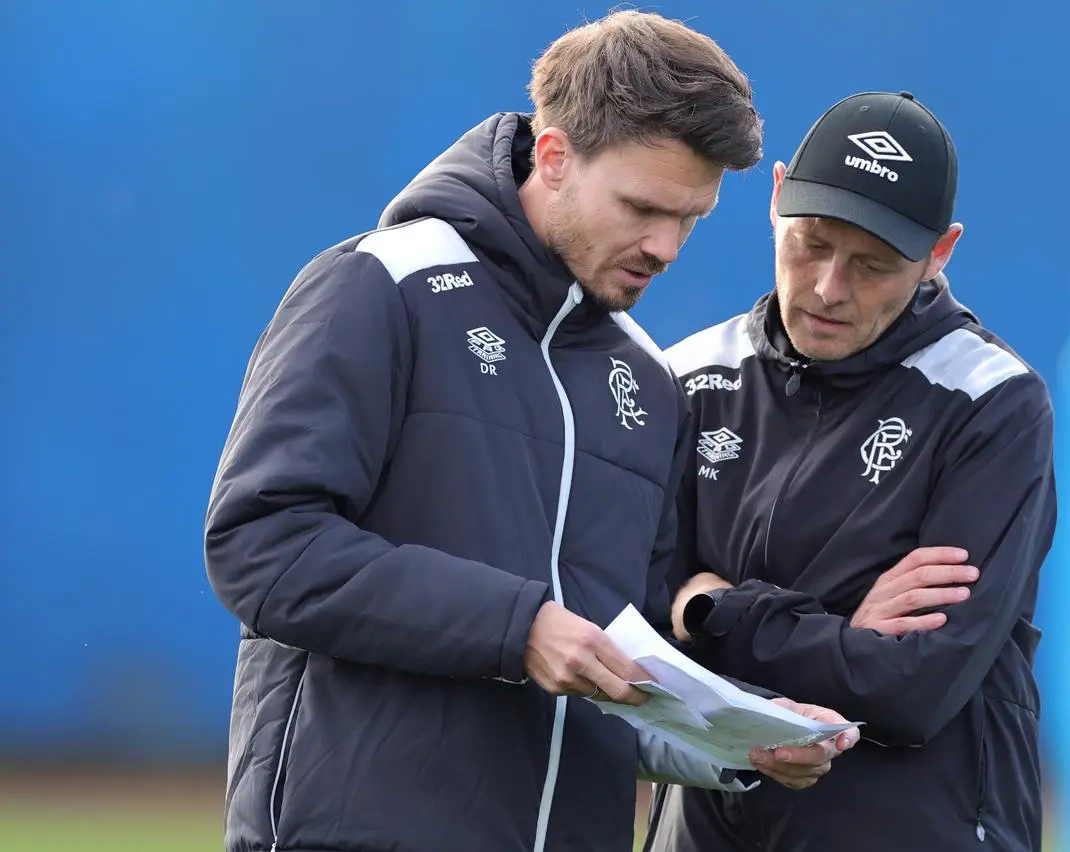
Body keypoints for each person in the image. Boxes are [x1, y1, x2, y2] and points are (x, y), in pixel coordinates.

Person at [203, 11, 859, 852]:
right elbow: (262, 546)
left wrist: (738, 736)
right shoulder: (378, 285)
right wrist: (517, 628)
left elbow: (623, 668)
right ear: (553, 158)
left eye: (690, 218)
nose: (666, 246)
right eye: (643, 207)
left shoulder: (649, 384)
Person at [646, 91, 1058, 851]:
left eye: (873, 265)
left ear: (940, 252)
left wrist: (712, 610)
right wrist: (841, 631)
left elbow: (912, 688)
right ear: (774, 200)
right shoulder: (689, 376)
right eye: (811, 243)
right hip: (705, 829)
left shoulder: (992, 404)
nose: (831, 288)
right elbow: (630, 635)